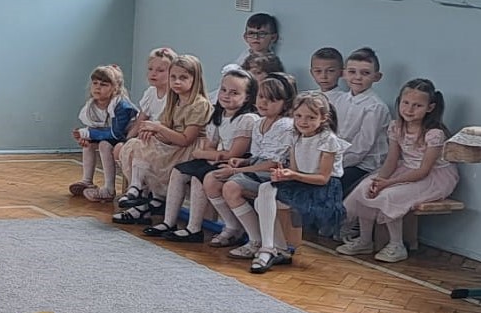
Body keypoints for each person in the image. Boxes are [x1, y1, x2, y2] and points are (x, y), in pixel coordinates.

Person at [338, 78, 458, 263]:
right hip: (405, 169)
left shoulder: (434, 134)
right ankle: (364, 240)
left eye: (417, 105)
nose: (409, 109)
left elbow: (424, 170)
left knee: (390, 196)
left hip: (434, 177)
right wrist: (379, 181)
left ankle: (397, 245)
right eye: (406, 103)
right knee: (365, 188)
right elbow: (391, 160)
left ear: (430, 108)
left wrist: (388, 183)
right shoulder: (396, 127)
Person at [147, 69, 257, 241]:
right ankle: (169, 221)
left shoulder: (247, 119)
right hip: (216, 158)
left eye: (234, 93)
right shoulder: (218, 115)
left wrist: (205, 154)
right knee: (179, 171)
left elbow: (234, 153)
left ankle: (194, 228)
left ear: (247, 97)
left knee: (199, 178)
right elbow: (210, 145)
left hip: (237, 163)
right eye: (223, 90)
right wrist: (208, 154)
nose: (226, 95)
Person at [251, 91, 348, 273]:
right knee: (263, 194)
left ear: (323, 118)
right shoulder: (295, 137)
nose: (303, 121)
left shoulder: (328, 140)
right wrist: (283, 175)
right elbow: (295, 170)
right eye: (299, 116)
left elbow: (323, 178)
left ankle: (270, 249)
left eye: (311, 117)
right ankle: (275, 248)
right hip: (301, 183)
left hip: (321, 190)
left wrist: (293, 175)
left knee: (262, 199)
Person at [114, 55, 211, 225]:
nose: (177, 82)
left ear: (195, 79)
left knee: (145, 151)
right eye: (173, 77)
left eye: (183, 78)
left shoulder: (199, 104)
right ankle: (137, 190)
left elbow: (185, 139)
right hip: (174, 146)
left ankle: (143, 198)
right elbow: (165, 126)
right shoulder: (174, 100)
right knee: (137, 144)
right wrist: (151, 131)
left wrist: (157, 128)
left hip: (189, 151)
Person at [211, 73, 297, 256]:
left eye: (272, 100)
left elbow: (273, 164)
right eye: (261, 97)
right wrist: (244, 161)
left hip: (275, 176)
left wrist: (236, 170)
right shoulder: (259, 123)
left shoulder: (285, 126)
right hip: (258, 169)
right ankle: (235, 228)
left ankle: (255, 240)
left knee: (231, 187)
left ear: (285, 103)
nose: (264, 103)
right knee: (214, 180)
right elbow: (259, 156)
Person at [69, 64, 138, 203]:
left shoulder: (121, 105)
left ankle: (109, 189)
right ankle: (87, 180)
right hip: (108, 136)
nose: (97, 87)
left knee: (104, 145)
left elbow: (116, 133)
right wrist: (86, 137)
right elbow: (93, 127)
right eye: (95, 83)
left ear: (115, 88)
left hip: (127, 136)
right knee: (88, 145)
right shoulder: (92, 105)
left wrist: (88, 133)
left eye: (104, 85)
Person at [114, 47, 176, 190]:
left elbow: (170, 125)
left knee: (140, 150)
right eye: (150, 69)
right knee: (120, 148)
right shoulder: (150, 93)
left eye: (160, 70)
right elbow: (140, 121)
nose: (153, 73)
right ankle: (138, 188)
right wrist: (127, 139)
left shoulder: (173, 96)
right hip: (146, 136)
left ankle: (145, 189)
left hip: (163, 140)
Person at [337, 47, 392, 202]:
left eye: (365, 73)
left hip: (364, 166)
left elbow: (362, 147)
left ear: (377, 77)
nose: (357, 77)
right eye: (352, 72)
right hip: (339, 160)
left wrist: (334, 164)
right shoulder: (340, 100)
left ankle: (338, 217)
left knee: (330, 185)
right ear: (344, 73)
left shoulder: (375, 107)